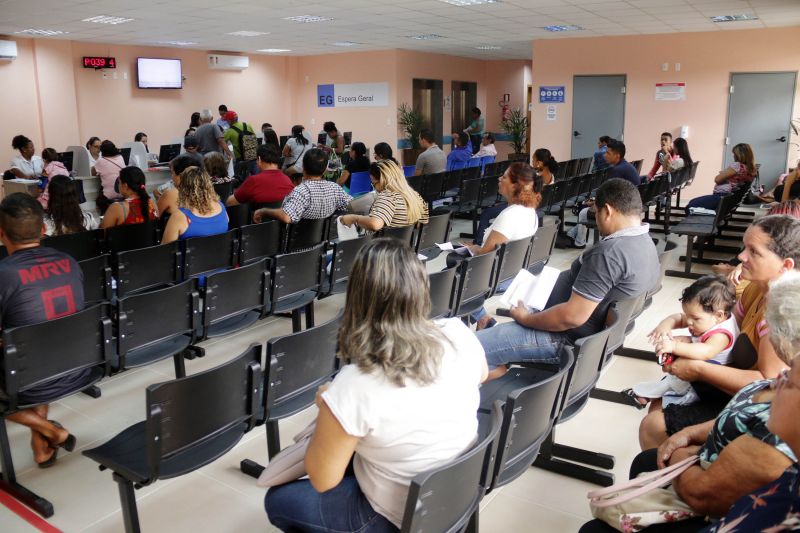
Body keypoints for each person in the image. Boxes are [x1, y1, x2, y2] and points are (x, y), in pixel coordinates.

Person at [265, 238, 488, 532]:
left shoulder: (356, 383)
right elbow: (482, 374)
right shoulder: (457, 332)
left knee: (278, 501)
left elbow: (322, 479)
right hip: (453, 492)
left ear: (358, 297)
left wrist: (328, 409)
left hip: (395, 516)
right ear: (420, 287)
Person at [638, 215, 799, 449]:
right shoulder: (756, 288)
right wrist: (688, 340)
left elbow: (767, 383)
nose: (742, 257)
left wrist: (698, 368)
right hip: (735, 384)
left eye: (754, 252)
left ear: (786, 265)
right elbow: (721, 329)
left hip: (759, 403)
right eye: (745, 247)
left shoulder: (781, 314)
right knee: (660, 401)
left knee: (653, 426)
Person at [478, 178, 659, 381]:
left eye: (595, 212)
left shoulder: (610, 254)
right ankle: (495, 359)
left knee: (466, 347)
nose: (596, 219)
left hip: (561, 337)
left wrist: (526, 319)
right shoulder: (645, 243)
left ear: (607, 211)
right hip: (567, 327)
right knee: (486, 338)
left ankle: (492, 368)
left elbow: (571, 317)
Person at [703, 272, 800, 532]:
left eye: (790, 381)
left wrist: (682, 457)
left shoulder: (774, 443)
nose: (778, 380)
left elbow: (703, 494)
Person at [0, 194, 88, 467]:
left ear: (1, 234)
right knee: (34, 348)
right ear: (43, 229)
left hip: (32, 376)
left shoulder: (5, 273)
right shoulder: (69, 261)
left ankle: (53, 432)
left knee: (24, 355)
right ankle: (41, 448)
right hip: (79, 366)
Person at [627, 276, 739, 409]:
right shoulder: (710, 318)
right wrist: (665, 326)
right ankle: (647, 394)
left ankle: (649, 395)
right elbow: (679, 318)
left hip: (710, 383)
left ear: (719, 315)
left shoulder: (721, 335)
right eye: (688, 315)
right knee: (673, 371)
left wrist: (675, 346)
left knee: (674, 382)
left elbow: (705, 352)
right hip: (701, 368)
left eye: (695, 318)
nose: (689, 322)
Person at [457, 162, 544, 329]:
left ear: (516, 185)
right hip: (512, 271)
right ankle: (483, 319)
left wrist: (473, 249)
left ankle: (480, 321)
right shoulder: (529, 211)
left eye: (504, 177)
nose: (499, 179)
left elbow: (484, 257)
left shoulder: (510, 216)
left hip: (496, 276)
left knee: (451, 281)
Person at [253, 148, 351, 224]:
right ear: (325, 169)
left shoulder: (302, 191)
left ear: (303, 167)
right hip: (322, 244)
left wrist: (263, 211)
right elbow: (351, 205)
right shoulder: (335, 188)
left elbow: (287, 217)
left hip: (298, 247)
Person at [339, 160, 428, 231]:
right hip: (406, 248)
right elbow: (424, 222)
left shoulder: (388, 197)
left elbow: (375, 224)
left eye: (374, 183)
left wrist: (355, 218)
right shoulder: (415, 195)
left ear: (382, 180)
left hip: (387, 249)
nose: (375, 188)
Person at [161, 167, 228, 243]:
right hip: (219, 254)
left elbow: (164, 250)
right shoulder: (221, 207)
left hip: (190, 255)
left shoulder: (179, 216)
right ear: (208, 185)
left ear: (183, 188)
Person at [686, 143, 756, 212]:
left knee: (690, 206)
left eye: (734, 154)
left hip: (722, 197)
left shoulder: (737, 166)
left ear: (740, 155)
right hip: (729, 199)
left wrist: (723, 173)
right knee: (692, 202)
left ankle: (697, 223)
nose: (733, 156)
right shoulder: (749, 168)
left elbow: (717, 180)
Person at [227, 145, 294, 207]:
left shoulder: (253, 181)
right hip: (282, 219)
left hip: (258, 218)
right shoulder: (287, 180)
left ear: (259, 159)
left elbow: (230, 202)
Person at [92, 140, 125, 213]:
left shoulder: (100, 161)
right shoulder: (121, 157)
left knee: (99, 200)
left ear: (102, 151)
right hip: (123, 193)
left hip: (108, 197)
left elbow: (93, 173)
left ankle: (103, 217)